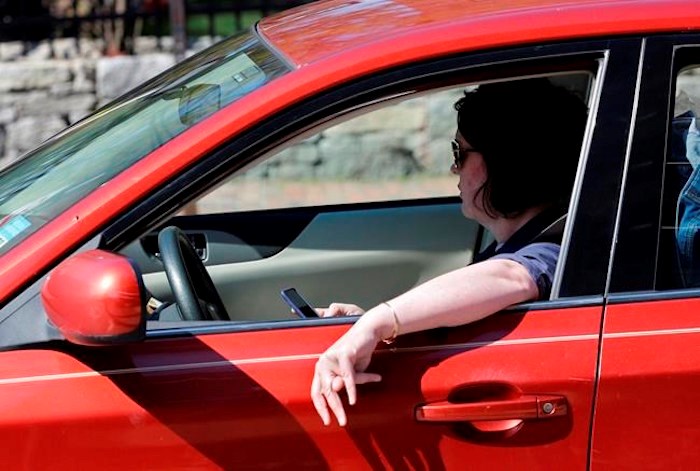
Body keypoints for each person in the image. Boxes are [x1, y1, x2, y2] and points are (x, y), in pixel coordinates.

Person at [310, 77, 589, 427]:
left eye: (460, 153)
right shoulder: (526, 237)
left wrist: (376, 323)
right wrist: (372, 326)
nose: (453, 168)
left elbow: (512, 276)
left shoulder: (551, 246)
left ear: (505, 162)